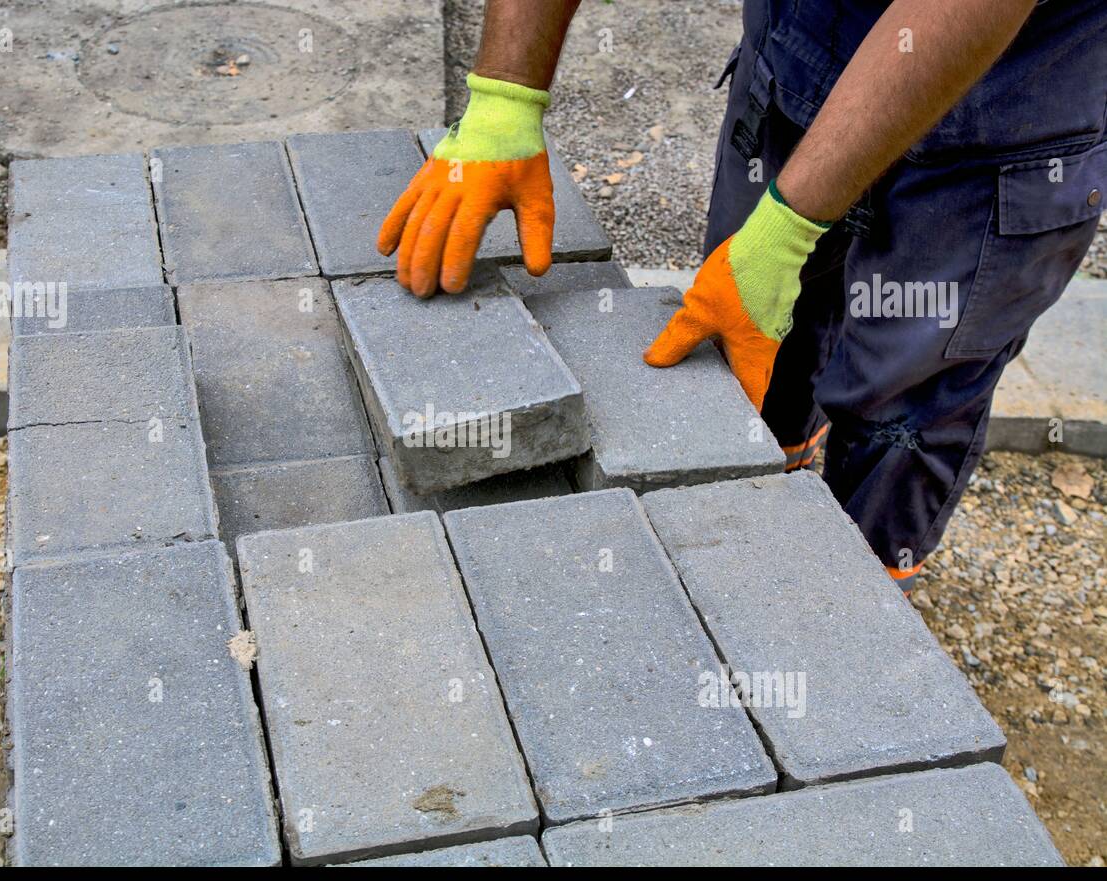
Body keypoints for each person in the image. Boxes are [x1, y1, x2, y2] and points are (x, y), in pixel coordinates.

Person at [377, 0, 1106, 590]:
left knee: (899, 415)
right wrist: (505, 99)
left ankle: (853, 633)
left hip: (1005, 112)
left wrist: (788, 228)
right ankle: (746, 543)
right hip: (805, 47)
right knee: (744, 354)